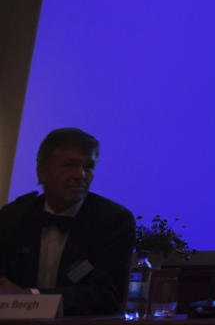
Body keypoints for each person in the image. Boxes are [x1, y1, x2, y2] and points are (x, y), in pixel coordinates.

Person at [0, 128, 135, 316]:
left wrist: (30, 297)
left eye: (88, 166)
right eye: (69, 165)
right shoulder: (13, 217)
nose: (80, 175)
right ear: (41, 172)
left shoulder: (113, 221)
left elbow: (108, 296)